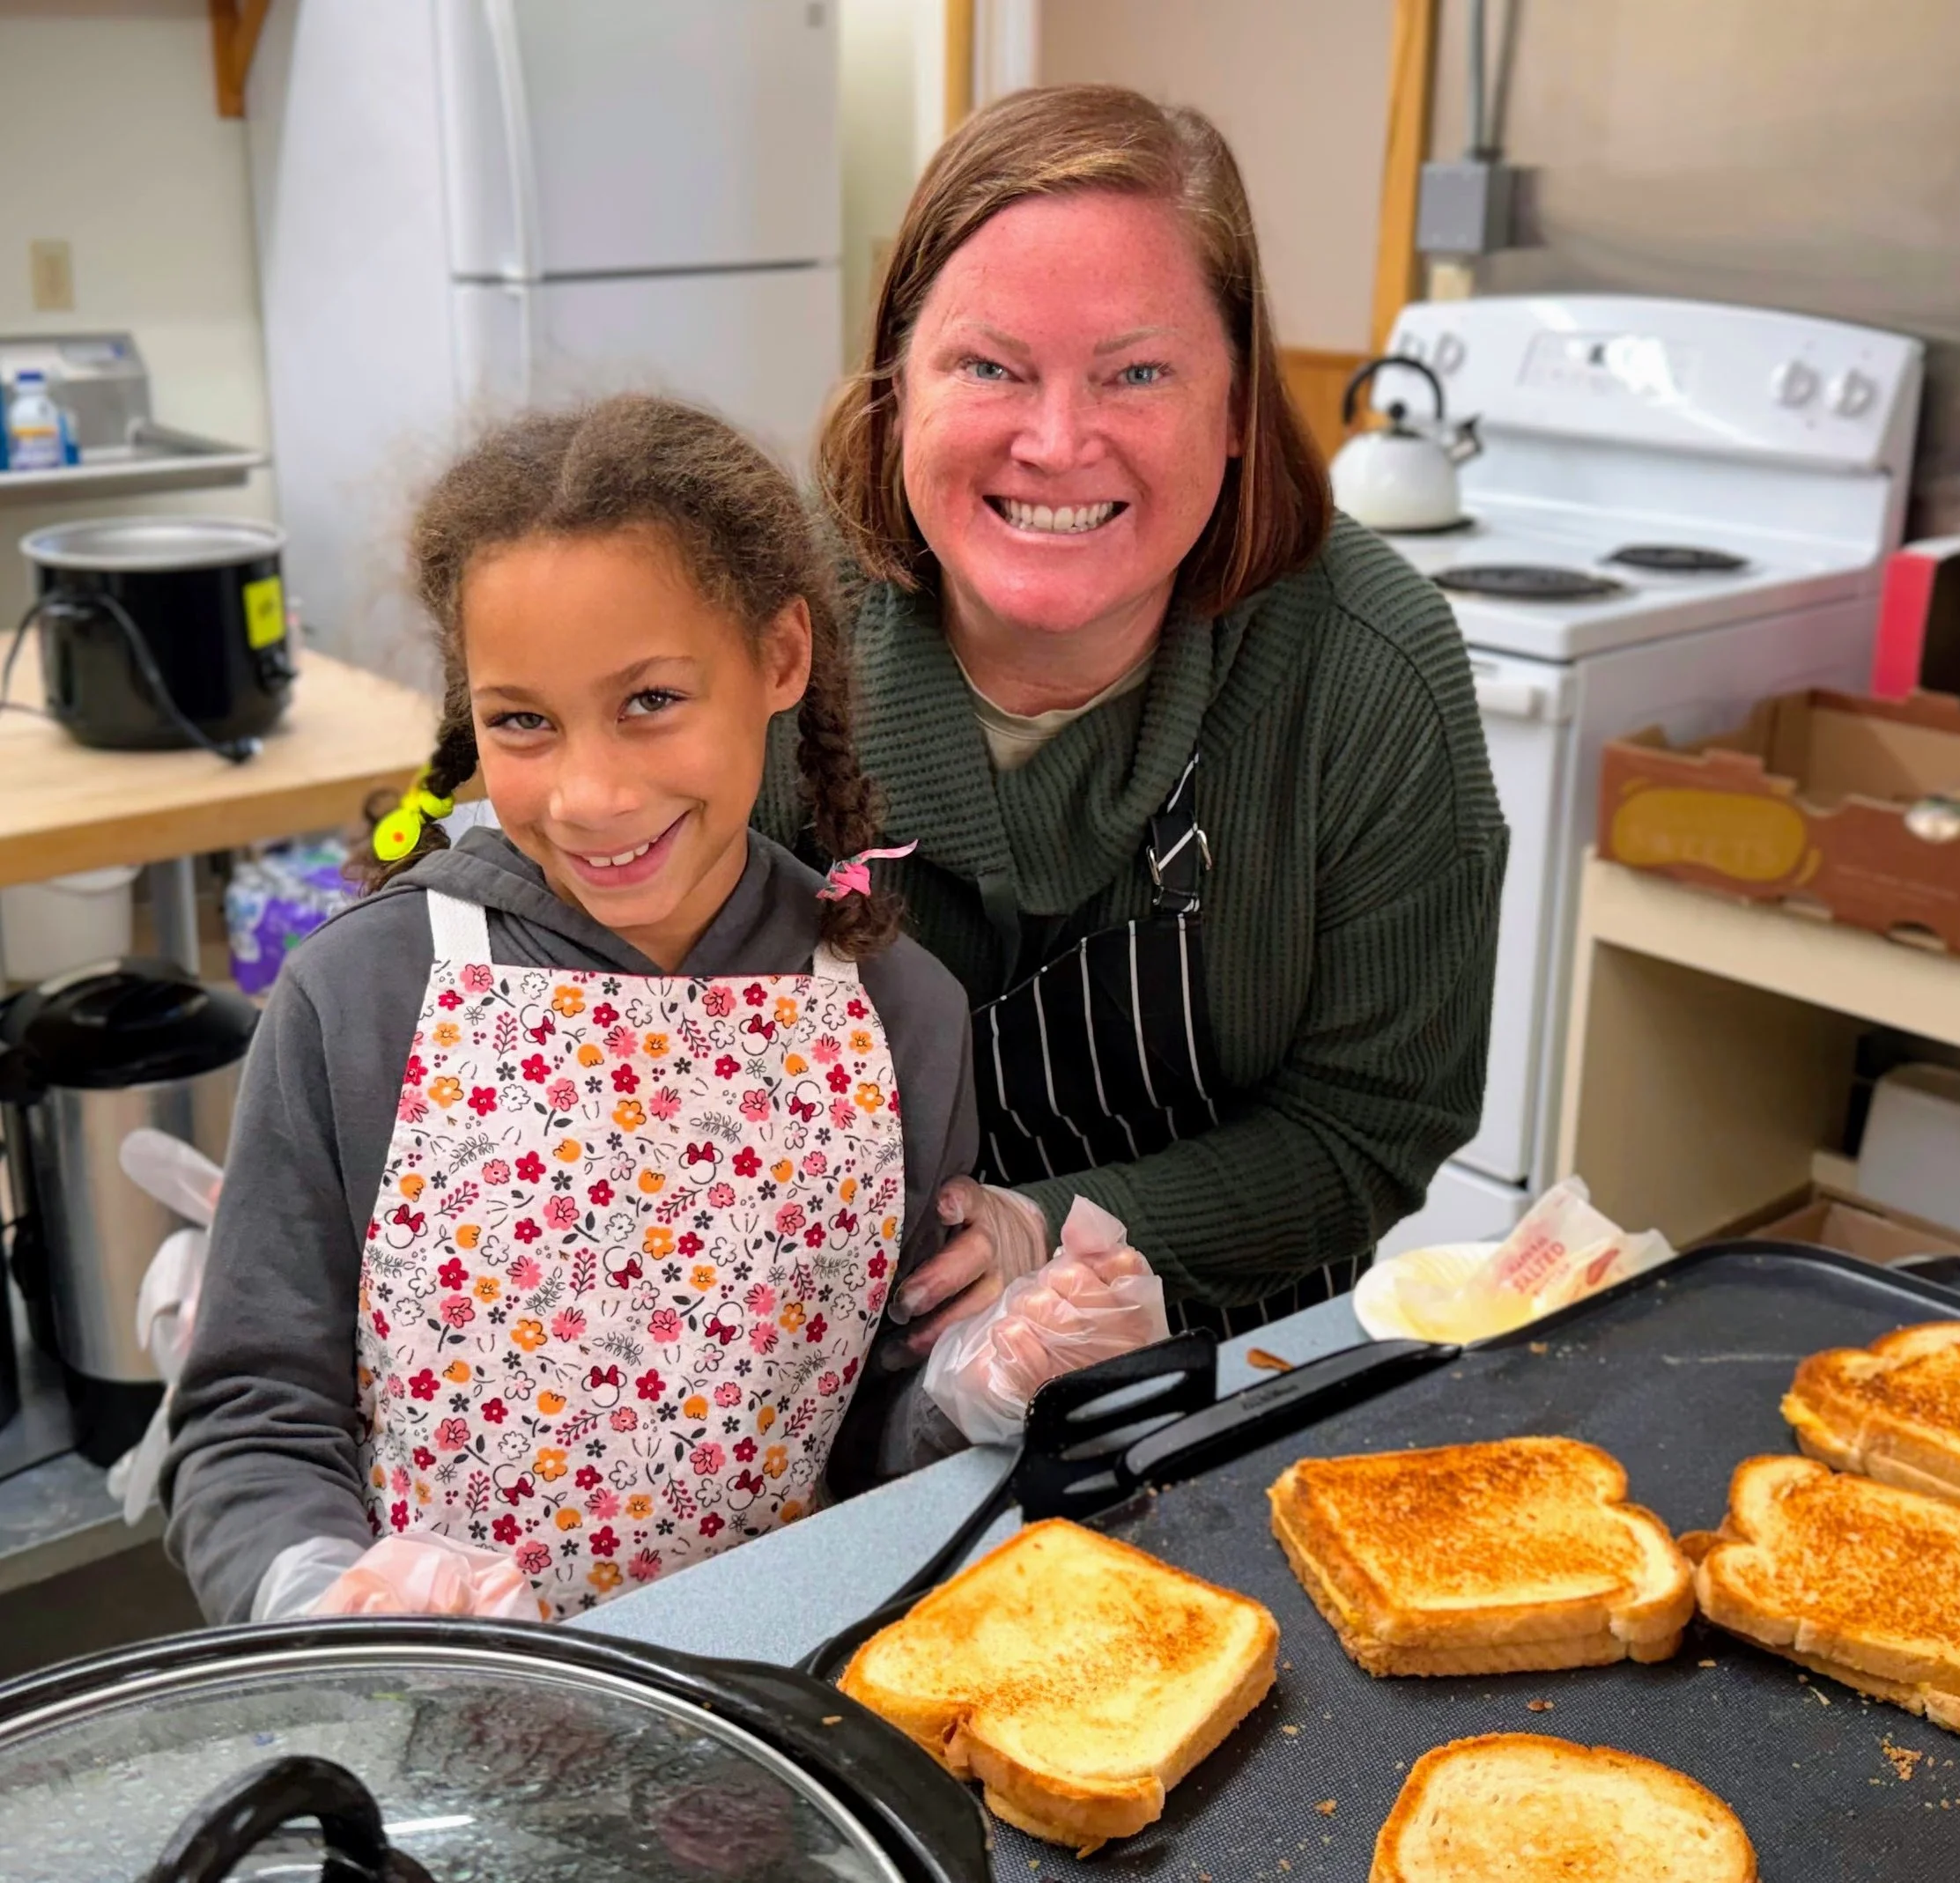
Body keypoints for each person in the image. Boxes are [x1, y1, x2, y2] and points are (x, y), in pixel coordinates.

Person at [162, 396, 1129, 1626]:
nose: (592, 795)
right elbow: (254, 1420)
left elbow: (877, 1425)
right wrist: (317, 1589)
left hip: (768, 1691)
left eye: (651, 700)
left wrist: (981, 1385)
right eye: (523, 720)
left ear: (780, 659)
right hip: (428, 1701)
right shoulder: (359, 999)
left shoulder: (902, 1014)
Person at [757, 85, 1508, 1355]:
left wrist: (1037, 1231)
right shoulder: (766, 630)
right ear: (898, 391)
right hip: (813, 1372)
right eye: (988, 366)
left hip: (1222, 1366)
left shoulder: (1366, 670)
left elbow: (1367, 1128)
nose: (1057, 443)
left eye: (1138, 372)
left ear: (1234, 411)